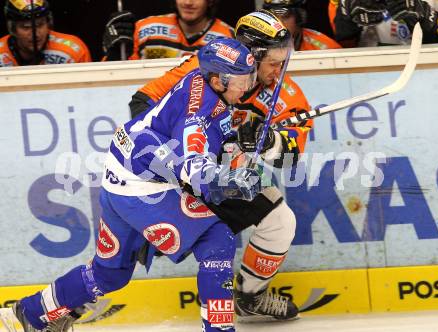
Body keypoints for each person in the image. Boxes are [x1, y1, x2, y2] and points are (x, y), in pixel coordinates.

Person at [8, 38, 259, 332]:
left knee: (109, 274)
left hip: (121, 176)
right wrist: (230, 181)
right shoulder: (198, 115)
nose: (247, 87)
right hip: (142, 189)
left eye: (249, 78)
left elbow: (207, 138)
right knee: (217, 239)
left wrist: (234, 145)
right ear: (218, 80)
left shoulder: (199, 81)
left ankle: (28, 312)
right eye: (241, 81)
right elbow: (196, 169)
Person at [129, 10, 313, 321]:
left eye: (285, 58)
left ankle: (250, 297)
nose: (280, 69)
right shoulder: (203, 66)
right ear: (252, 57)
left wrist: (270, 143)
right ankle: (67, 307)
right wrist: (175, 159)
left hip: (225, 178)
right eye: (274, 60)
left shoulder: (285, 94)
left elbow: (292, 154)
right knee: (125, 249)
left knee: (281, 222)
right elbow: (142, 103)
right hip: (178, 175)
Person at [102, 0, 234, 61]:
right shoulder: (144, 28)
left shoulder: (229, 38)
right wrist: (114, 55)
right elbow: (114, 79)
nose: (188, 2)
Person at [0, 0, 91, 67]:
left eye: (40, 25)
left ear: (49, 24)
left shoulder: (72, 50)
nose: (35, 34)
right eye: (26, 27)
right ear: (12, 29)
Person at [329, 0, 438, 47]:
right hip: (367, 74)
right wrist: (347, 22)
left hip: (426, 72)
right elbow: (342, 50)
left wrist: (429, 21)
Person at [262, 0, 342, 51]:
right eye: (273, 16)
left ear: (299, 18)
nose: (278, 24)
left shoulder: (326, 48)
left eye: (285, 16)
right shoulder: (256, 46)